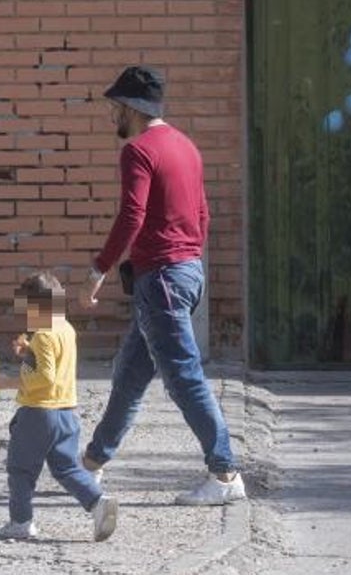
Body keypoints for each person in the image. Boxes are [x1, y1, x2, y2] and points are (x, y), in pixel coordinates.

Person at [77, 65, 246, 506]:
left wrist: (99, 270)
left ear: (131, 108)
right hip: (185, 272)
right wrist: (185, 255)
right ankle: (91, 463)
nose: (112, 113)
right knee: (130, 374)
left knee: (184, 378)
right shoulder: (186, 147)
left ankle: (225, 473)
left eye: (115, 106)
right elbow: (203, 213)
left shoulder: (139, 151)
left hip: (164, 279)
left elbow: (131, 216)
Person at [0, 270, 119, 541]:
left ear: (38, 307)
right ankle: (98, 502)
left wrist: (8, 382)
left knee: (21, 470)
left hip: (38, 414)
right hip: (66, 414)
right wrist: (27, 353)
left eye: (28, 311)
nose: (27, 317)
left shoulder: (43, 335)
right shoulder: (66, 330)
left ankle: (21, 523)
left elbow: (44, 377)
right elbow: (54, 367)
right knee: (67, 468)